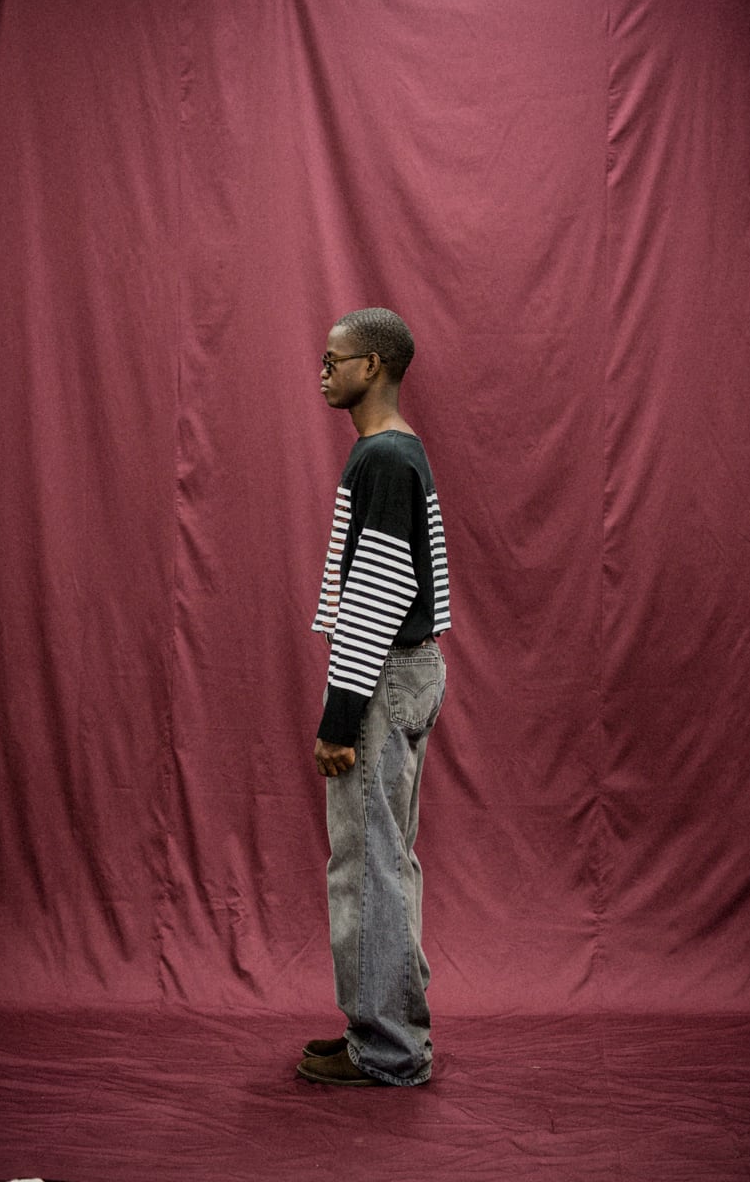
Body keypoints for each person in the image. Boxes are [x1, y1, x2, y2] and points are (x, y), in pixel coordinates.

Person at [297, 307, 451, 1088]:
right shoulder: (393, 450)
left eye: (336, 359)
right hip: (407, 670)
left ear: (375, 366)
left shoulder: (384, 456)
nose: (323, 371)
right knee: (389, 859)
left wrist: (339, 718)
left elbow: (378, 592)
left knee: (368, 865)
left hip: (383, 676)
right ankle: (386, 1031)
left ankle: (387, 1049)